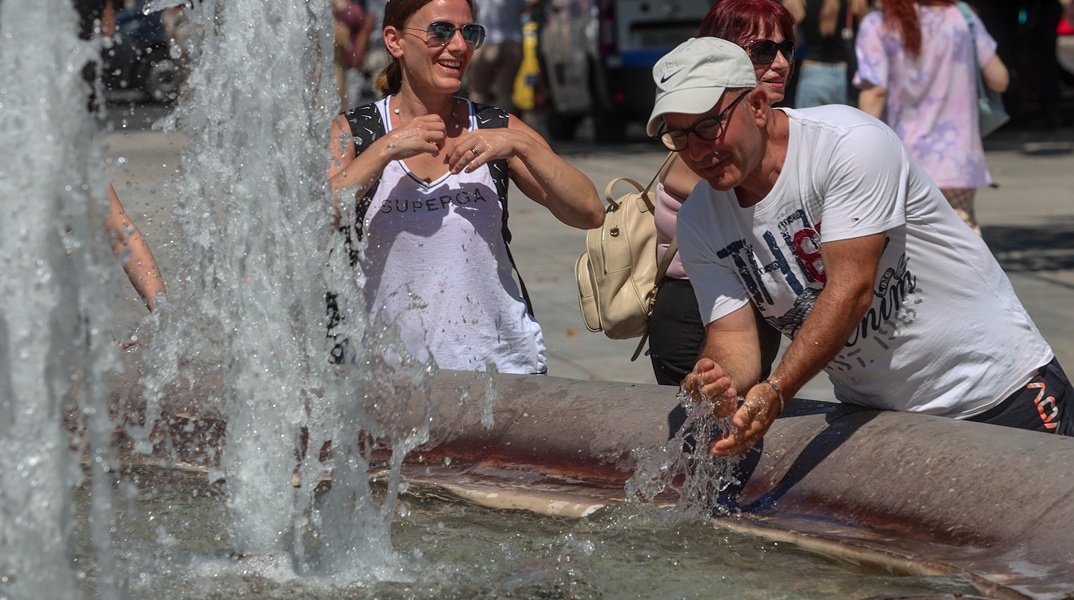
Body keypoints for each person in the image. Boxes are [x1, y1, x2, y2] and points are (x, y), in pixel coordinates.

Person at [645, 37, 1071, 456]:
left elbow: (851, 290)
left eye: (708, 126)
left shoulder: (848, 143)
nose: (698, 151)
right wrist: (717, 376)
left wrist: (777, 391)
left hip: (997, 393)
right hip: (880, 416)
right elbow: (733, 335)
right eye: (679, 136)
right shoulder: (700, 217)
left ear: (757, 105)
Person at [325, 0, 603, 373]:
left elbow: (589, 211)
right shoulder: (356, 132)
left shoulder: (495, 126)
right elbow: (320, 217)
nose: (458, 46)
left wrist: (521, 144)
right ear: (394, 41)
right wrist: (386, 148)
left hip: (501, 371)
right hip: (386, 381)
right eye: (440, 31)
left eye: (469, 33)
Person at [649, 0, 795, 386]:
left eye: (786, 48)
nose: (779, 62)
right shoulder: (712, 151)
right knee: (706, 428)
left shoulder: (775, 133)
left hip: (752, 303)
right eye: (763, 50)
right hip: (695, 311)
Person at [854, 0, 1009, 235]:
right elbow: (999, 79)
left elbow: (875, 91)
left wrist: (859, 152)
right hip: (959, 160)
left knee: (911, 246)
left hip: (904, 160)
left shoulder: (879, 24)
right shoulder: (962, 17)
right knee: (961, 241)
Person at [782, 0, 868, 107]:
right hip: (842, 75)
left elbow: (790, 40)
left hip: (812, 71)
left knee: (808, 121)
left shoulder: (797, 2)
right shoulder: (854, 2)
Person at [466, 0, 531, 114]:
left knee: (478, 90)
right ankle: (503, 125)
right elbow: (527, 8)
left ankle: (478, 122)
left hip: (487, 42)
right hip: (513, 42)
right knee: (505, 91)